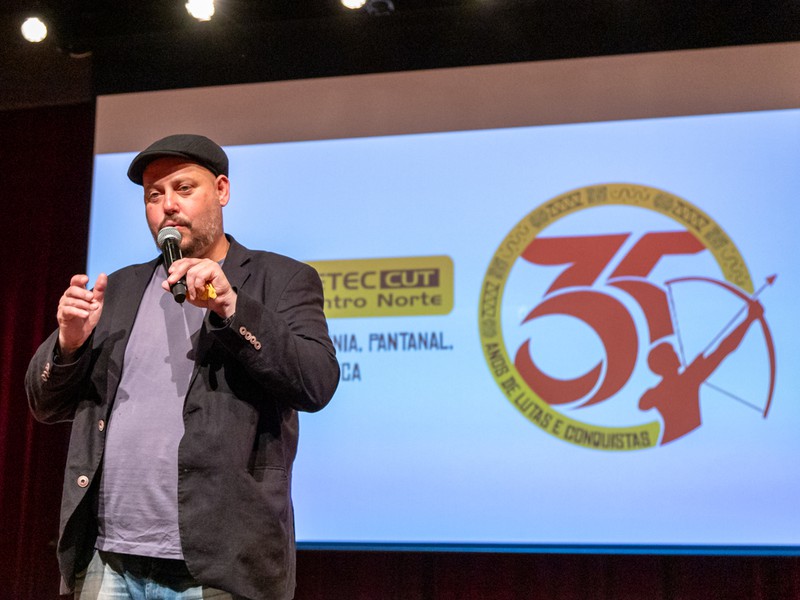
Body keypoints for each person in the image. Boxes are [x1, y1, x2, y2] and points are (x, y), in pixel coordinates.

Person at [25, 134, 340, 600]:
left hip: (218, 566)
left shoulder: (281, 279)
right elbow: (45, 404)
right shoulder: (121, 288)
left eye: (184, 188)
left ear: (222, 190)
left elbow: (316, 383)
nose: (168, 205)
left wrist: (232, 307)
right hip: (108, 560)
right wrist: (69, 344)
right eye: (154, 195)